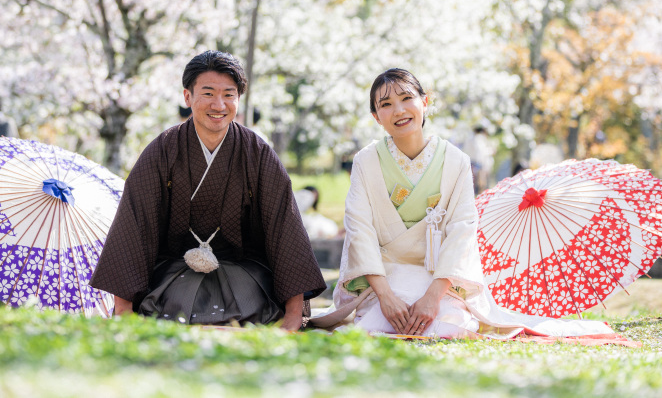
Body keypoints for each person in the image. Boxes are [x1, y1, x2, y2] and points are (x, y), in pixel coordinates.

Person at [312, 68, 615, 339]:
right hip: (385, 277)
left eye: (407, 98)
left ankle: (436, 305)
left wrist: (432, 296)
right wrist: (387, 297)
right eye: (386, 104)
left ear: (425, 102)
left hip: (437, 277)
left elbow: (462, 230)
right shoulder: (366, 161)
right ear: (377, 117)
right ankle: (385, 306)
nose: (399, 110)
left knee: (449, 324)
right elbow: (359, 229)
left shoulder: (456, 161)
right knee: (378, 324)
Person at [91, 51, 326, 330]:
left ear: (239, 99)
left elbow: (283, 228)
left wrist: (293, 314)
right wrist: (124, 309)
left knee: (251, 309)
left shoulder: (257, 152)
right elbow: (135, 224)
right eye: (208, 93)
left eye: (229, 94)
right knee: (170, 309)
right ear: (188, 97)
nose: (219, 104)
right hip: (173, 274)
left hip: (244, 274)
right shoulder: (163, 150)